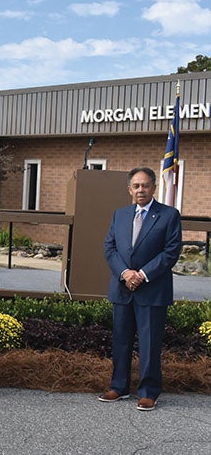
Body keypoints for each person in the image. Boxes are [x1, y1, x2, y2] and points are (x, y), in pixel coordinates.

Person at [99, 167, 181, 411]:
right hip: (122, 288)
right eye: (136, 186)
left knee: (149, 343)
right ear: (129, 190)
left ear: (154, 187)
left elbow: (171, 252)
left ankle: (148, 392)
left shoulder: (168, 215)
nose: (140, 190)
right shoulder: (120, 215)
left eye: (145, 185)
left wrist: (142, 275)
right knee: (121, 341)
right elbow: (109, 248)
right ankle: (119, 387)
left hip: (152, 290)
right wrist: (125, 274)